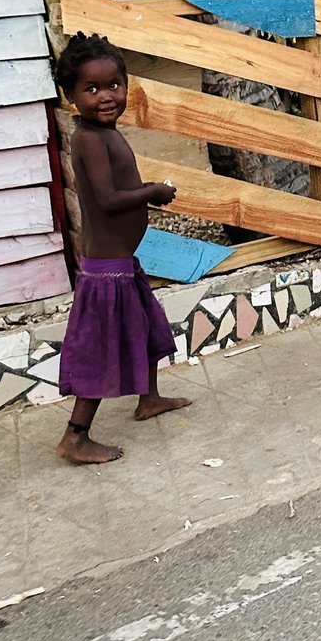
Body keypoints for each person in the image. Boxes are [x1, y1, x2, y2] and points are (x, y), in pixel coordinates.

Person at [55, 32, 191, 464]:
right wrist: (153, 191)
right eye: (91, 89)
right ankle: (75, 435)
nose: (106, 96)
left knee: (146, 328)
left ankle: (149, 398)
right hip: (106, 271)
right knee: (102, 349)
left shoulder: (104, 132)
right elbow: (110, 199)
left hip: (121, 263)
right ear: (71, 96)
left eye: (114, 85)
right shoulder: (90, 139)